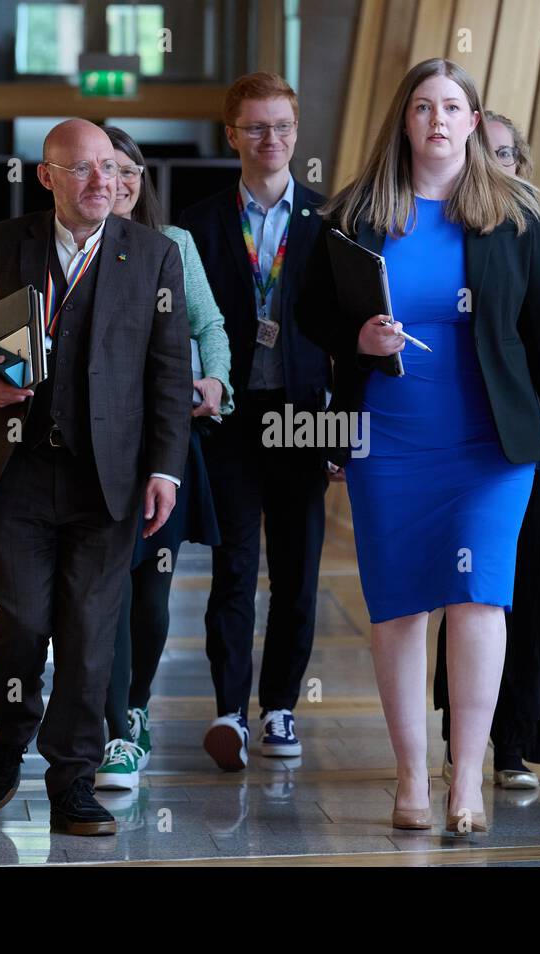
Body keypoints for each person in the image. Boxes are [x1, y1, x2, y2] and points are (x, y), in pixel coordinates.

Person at [295, 59, 540, 835]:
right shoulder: (356, 213)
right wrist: (356, 335)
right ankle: (410, 779)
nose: (438, 120)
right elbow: (311, 313)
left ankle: (466, 781)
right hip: (388, 437)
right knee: (398, 608)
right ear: (405, 120)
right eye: (423, 106)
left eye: (452, 108)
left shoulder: (514, 216)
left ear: (472, 120)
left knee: (479, 596)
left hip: (492, 444)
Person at [0, 119, 190, 835]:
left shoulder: (153, 256)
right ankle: (9, 731)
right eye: (81, 169)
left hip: (108, 482)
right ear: (46, 176)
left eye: (111, 169)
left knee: (90, 635)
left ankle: (72, 781)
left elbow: (170, 374)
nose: (101, 182)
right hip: (18, 472)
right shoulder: (6, 243)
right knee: (22, 621)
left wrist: (165, 471)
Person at [435, 109, 540, 790]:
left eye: (507, 155)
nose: (498, 167)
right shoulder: (457, 243)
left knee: (531, 589)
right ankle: (466, 736)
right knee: (475, 593)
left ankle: (517, 742)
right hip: (474, 440)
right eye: (486, 154)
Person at [178, 72, 330, 771]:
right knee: (235, 569)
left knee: (297, 573)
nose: (272, 139)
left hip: (304, 419)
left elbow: (347, 335)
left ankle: (282, 709)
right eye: (257, 127)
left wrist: (343, 433)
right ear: (231, 134)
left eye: (283, 127)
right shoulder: (201, 223)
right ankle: (230, 712)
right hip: (233, 420)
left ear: (297, 135)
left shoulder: (329, 223)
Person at [94, 125, 235, 789]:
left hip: (165, 447)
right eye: (103, 169)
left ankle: (133, 712)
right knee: (102, 593)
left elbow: (209, 327)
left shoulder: (172, 245)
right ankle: (112, 727)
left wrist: (216, 381)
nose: (117, 183)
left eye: (128, 171)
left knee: (149, 595)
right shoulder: (73, 249)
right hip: (92, 453)